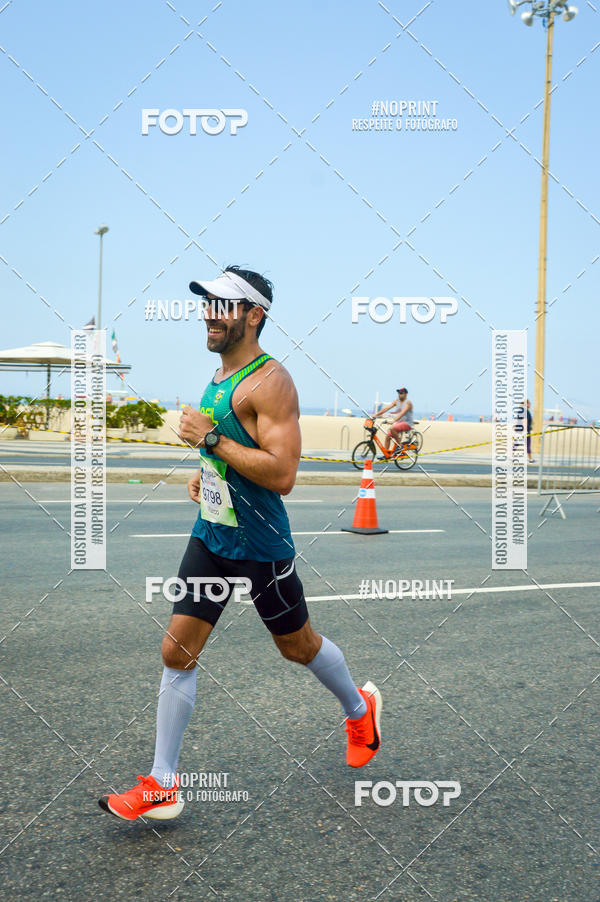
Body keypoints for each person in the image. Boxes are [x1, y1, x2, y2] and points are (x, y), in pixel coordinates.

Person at [99, 266, 382, 822]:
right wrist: (206, 471)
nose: (210, 313)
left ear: (254, 315)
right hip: (212, 535)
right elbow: (231, 451)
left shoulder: (272, 382)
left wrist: (210, 439)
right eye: (207, 303)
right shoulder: (219, 376)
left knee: (297, 647)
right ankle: (163, 784)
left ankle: (359, 707)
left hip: (260, 544)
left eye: (223, 305)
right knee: (176, 651)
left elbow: (283, 473)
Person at [376, 387, 414, 455]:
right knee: (388, 436)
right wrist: (375, 415)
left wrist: (393, 421)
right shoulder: (396, 401)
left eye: (401, 393)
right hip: (399, 423)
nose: (399, 394)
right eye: (399, 393)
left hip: (407, 423)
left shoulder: (408, 403)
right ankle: (386, 455)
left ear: (406, 394)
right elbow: (386, 408)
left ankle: (400, 446)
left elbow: (402, 413)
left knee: (392, 428)